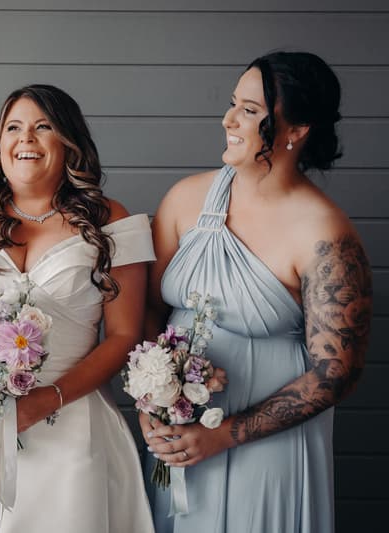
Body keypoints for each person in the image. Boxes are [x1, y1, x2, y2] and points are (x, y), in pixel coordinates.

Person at [0, 84, 155, 532]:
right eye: (14, 128)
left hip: (72, 419)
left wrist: (46, 401)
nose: (26, 139)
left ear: (69, 142)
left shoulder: (111, 221)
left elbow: (123, 336)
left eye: (43, 128)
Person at [141, 51, 372, 533]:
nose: (228, 119)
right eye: (233, 104)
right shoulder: (185, 198)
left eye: (250, 110)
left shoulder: (325, 234)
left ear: (296, 128)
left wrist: (226, 435)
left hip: (269, 447)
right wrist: (150, 403)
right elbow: (151, 310)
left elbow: (336, 373)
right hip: (180, 434)